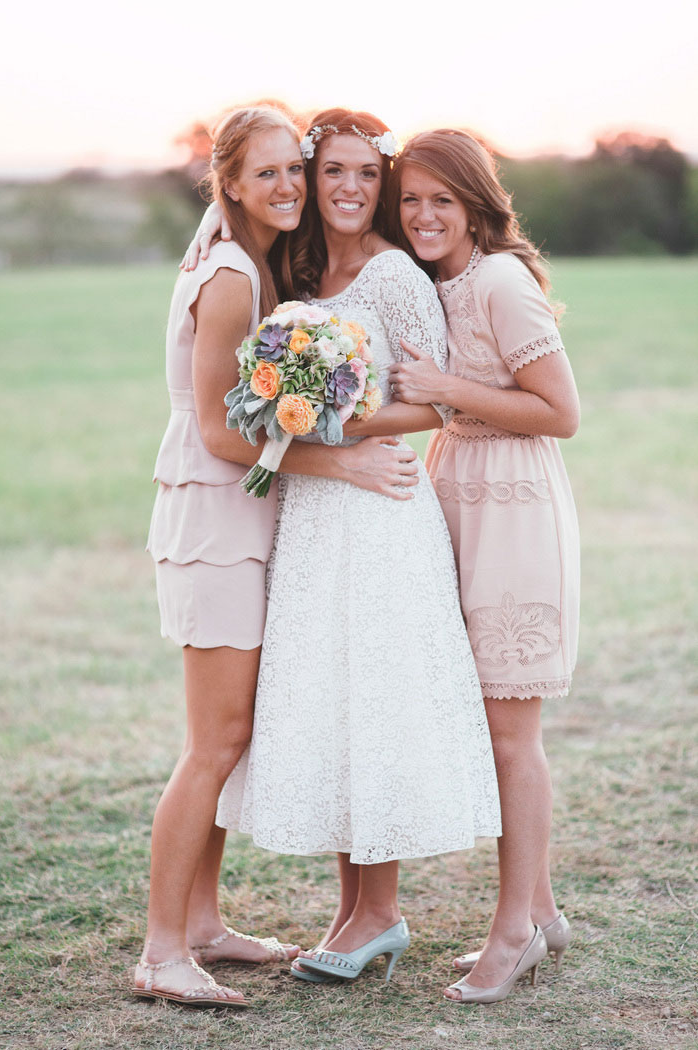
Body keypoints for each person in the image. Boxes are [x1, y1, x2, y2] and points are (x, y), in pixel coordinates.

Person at [136, 105, 421, 1009]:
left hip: (242, 521)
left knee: (231, 739)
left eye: (293, 169)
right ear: (230, 185)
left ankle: (206, 924)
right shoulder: (229, 276)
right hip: (214, 525)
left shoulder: (252, 260)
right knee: (212, 744)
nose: (292, 188)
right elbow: (221, 432)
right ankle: (160, 950)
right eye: (269, 175)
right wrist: (338, 457)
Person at [214, 109, 501, 987]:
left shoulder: (393, 276)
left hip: (379, 509)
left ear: (381, 182)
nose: (344, 189)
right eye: (328, 171)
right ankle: (354, 910)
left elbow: (436, 401)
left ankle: (380, 911)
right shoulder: (297, 268)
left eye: (363, 175)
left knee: (374, 699)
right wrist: (293, 412)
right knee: (336, 701)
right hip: (314, 516)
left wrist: (324, 416)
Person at [388, 128, 580, 1004]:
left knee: (512, 734)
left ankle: (513, 934)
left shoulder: (500, 280)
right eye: (411, 200)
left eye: (442, 200)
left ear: (474, 204)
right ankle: (540, 912)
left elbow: (561, 412)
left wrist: (445, 387)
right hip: (456, 490)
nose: (424, 216)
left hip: (513, 508)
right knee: (488, 724)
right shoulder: (440, 282)